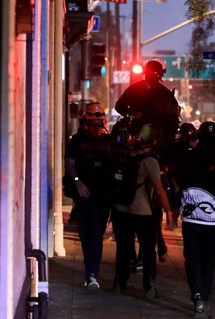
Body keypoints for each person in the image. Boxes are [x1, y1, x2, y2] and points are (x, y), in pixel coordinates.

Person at [111, 123, 174, 298]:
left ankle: (119, 282)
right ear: (154, 142)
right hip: (143, 211)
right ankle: (149, 284)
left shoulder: (125, 156)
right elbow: (159, 191)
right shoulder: (150, 162)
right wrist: (169, 213)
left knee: (123, 249)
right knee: (148, 249)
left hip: (121, 210)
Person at [177, 121, 215, 315]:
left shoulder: (188, 158)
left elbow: (180, 180)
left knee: (192, 257)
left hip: (191, 217)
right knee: (208, 259)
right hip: (212, 218)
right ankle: (204, 296)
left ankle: (198, 293)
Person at [64, 102, 113, 290]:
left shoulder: (109, 142)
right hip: (84, 196)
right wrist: (78, 182)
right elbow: (70, 164)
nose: (97, 128)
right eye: (94, 124)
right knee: (85, 234)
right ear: (86, 123)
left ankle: (92, 275)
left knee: (96, 235)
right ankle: (90, 272)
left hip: (103, 196)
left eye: (99, 123)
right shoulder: (77, 141)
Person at [114, 59, 181, 144]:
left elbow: (174, 113)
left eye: (154, 73)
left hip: (159, 135)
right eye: (151, 73)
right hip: (138, 132)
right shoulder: (136, 88)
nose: (152, 75)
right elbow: (119, 106)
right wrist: (133, 114)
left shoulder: (165, 92)